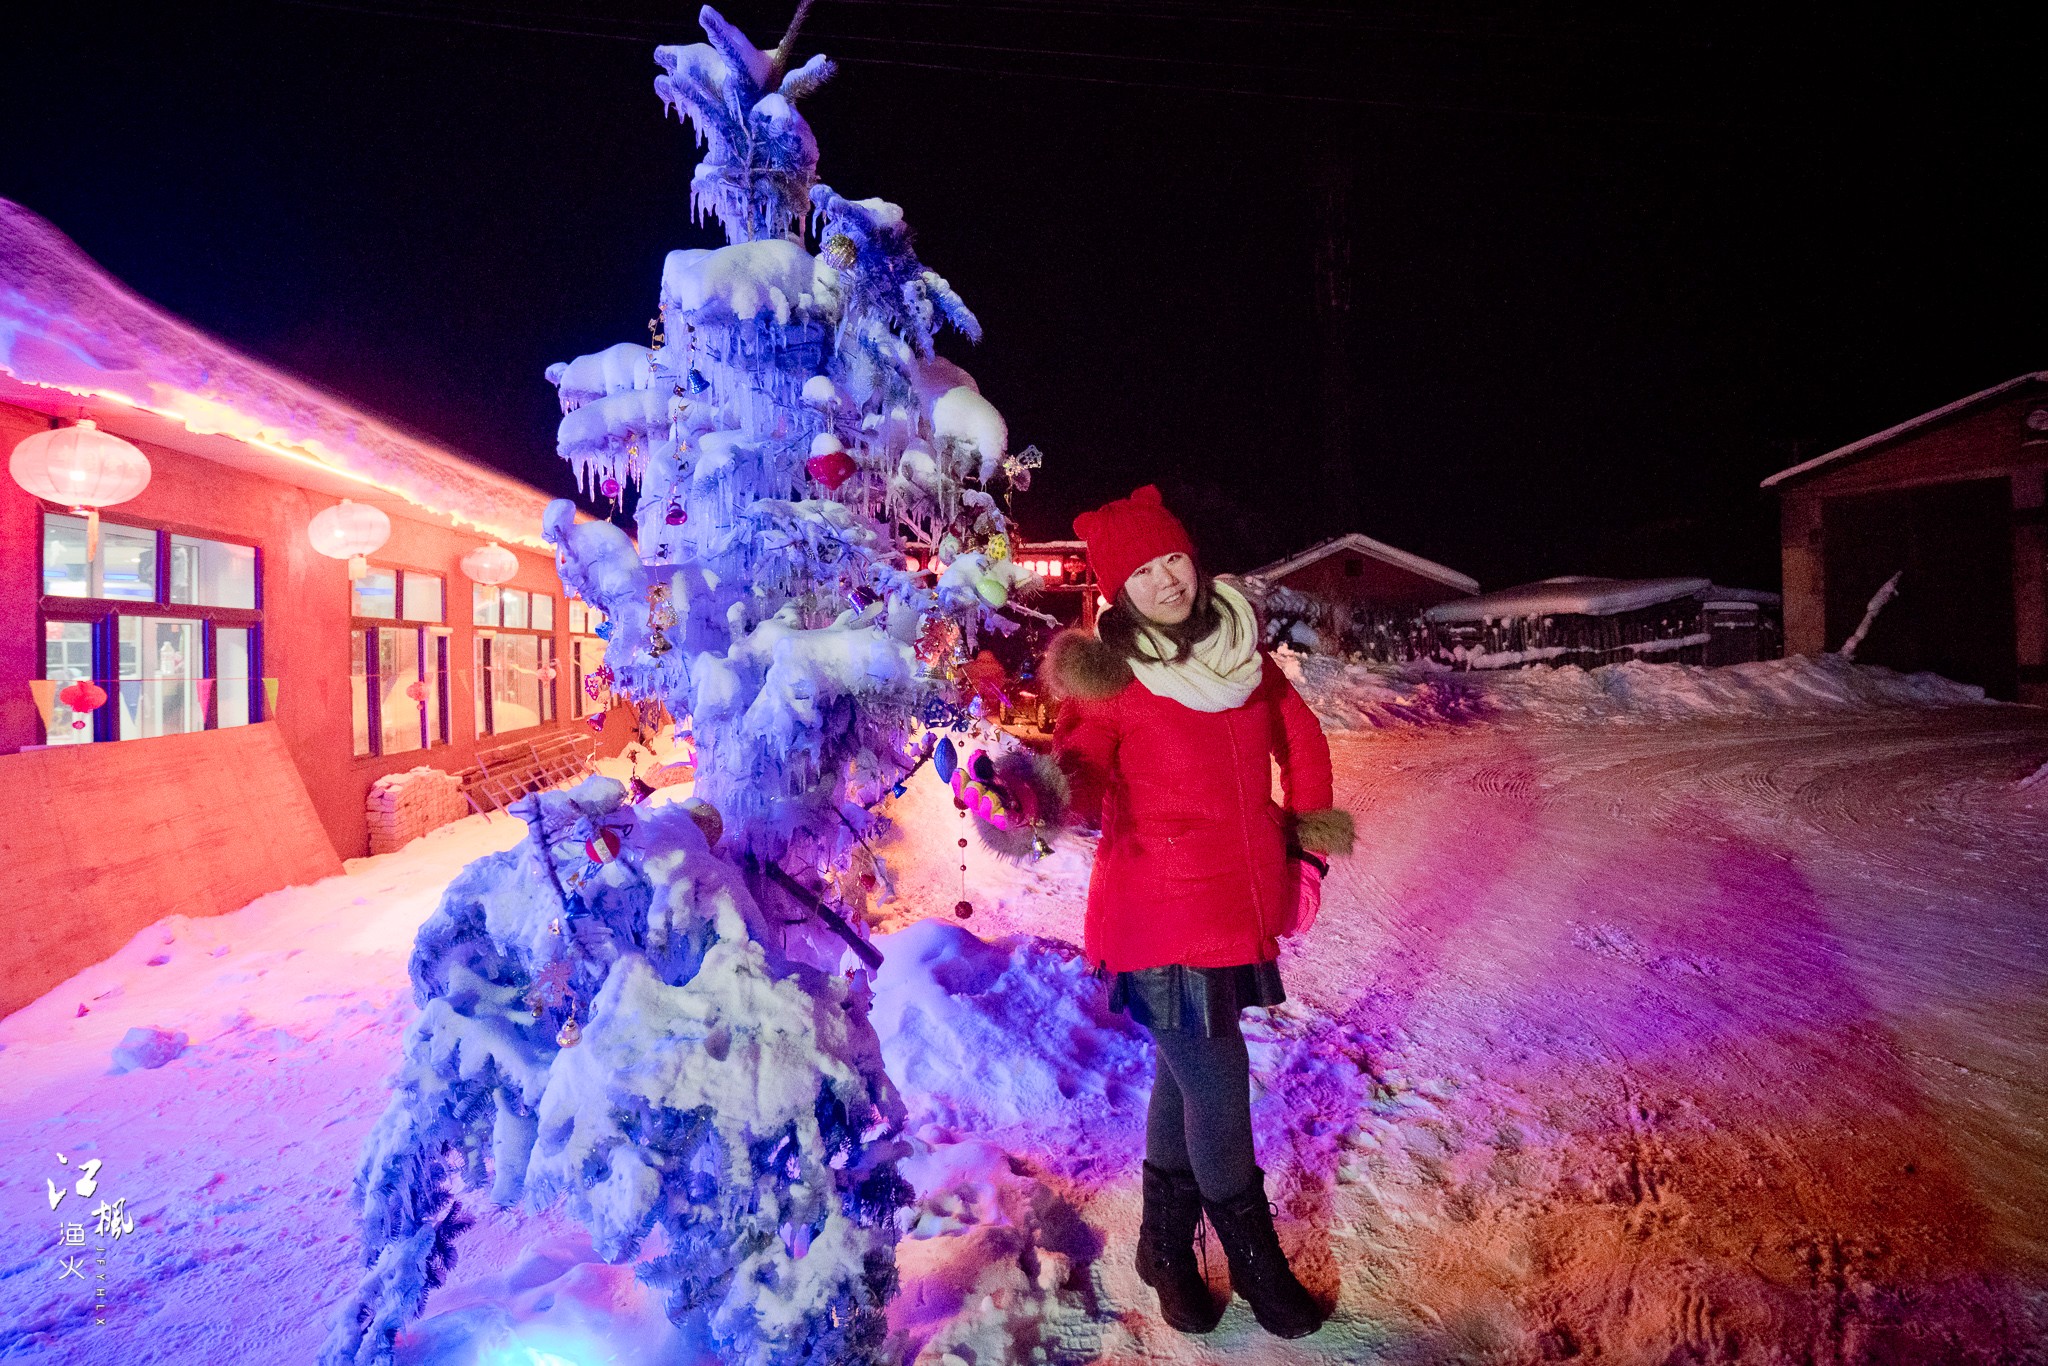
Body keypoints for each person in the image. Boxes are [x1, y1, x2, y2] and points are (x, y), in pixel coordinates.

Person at [1041, 485, 1354, 1339]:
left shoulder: (1240, 652)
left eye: (1173, 558)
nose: (1169, 580)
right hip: (1156, 912)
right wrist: (1031, 799)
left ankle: (1164, 1247)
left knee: (1183, 1076)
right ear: (1117, 592)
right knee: (1217, 1082)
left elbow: (1305, 741)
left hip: (1237, 898)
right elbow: (1079, 777)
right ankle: (1254, 1262)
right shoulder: (1111, 680)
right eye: (1143, 572)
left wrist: (1310, 849)